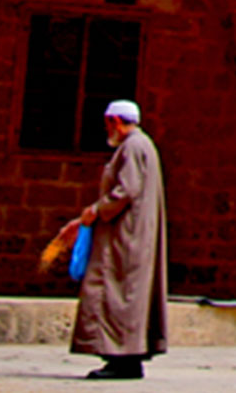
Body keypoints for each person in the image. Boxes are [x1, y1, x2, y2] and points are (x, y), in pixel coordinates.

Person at [69, 100, 169, 382]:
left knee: (118, 295)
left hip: (127, 237)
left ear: (114, 120)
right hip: (130, 234)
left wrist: (97, 211)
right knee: (126, 296)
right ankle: (127, 359)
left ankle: (121, 359)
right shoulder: (140, 146)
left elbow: (127, 190)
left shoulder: (134, 146)